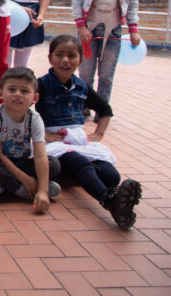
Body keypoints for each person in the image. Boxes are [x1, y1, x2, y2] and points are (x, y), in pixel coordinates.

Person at [36, 35, 141, 229]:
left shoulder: (82, 87)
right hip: (54, 144)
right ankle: (108, 201)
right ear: (50, 59)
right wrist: (40, 134)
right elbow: (21, 110)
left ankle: (102, 188)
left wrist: (98, 135)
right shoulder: (41, 84)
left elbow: (105, 110)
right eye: (59, 55)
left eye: (71, 55)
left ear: (80, 60)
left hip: (77, 140)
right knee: (81, 162)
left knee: (111, 176)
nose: (65, 60)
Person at [0, 67, 61, 210]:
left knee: (54, 164)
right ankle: (23, 191)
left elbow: (40, 156)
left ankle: (1, 186)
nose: (18, 95)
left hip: (21, 161)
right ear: (0, 93)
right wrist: (25, 180)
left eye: (25, 91)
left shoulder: (35, 119)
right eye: (12, 89)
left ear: (35, 98)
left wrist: (43, 191)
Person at [72, 0, 141, 107]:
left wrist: (134, 29)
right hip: (88, 32)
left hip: (113, 32)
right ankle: (84, 108)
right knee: (86, 73)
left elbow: (132, 4)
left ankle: (102, 109)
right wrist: (81, 27)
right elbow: (76, 1)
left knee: (106, 75)